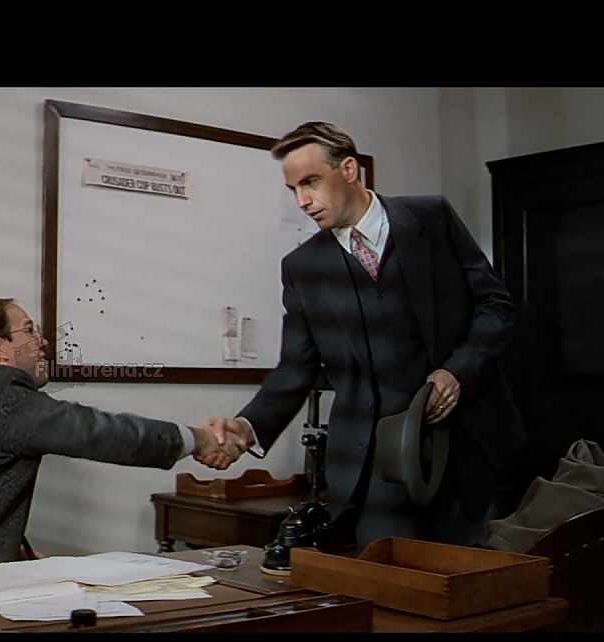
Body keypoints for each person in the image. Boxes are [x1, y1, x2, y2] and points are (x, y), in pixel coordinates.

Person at [199, 121, 526, 550]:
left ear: (349, 170)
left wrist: (457, 371)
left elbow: (494, 305)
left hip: (469, 446)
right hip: (376, 464)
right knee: (385, 578)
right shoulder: (302, 268)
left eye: (311, 182)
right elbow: (296, 366)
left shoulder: (432, 218)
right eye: (293, 189)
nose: (302, 201)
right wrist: (245, 428)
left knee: (475, 578)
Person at [0, 297, 246, 570]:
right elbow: (100, 433)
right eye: (29, 331)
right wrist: (197, 439)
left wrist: (16, 551)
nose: (43, 342)